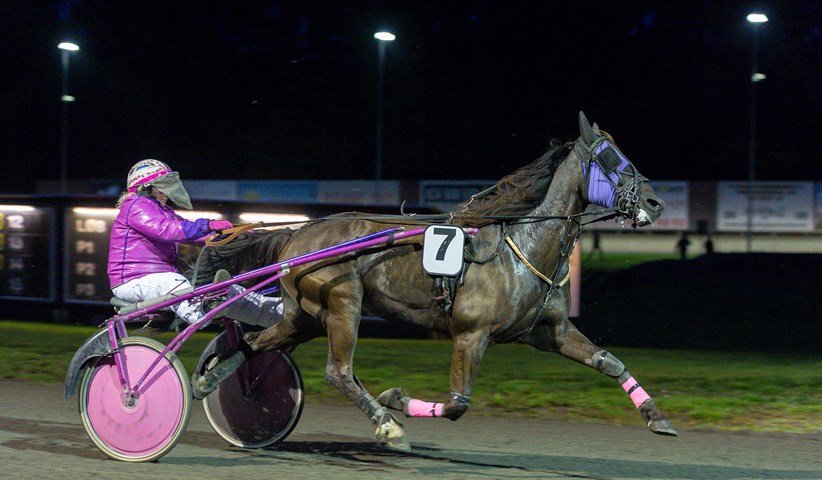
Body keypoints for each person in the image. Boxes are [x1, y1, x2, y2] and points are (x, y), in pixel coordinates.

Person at [108, 159, 283, 327]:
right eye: (164, 186)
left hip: (157, 281)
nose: (168, 192)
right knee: (173, 282)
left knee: (224, 288)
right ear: (146, 188)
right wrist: (207, 225)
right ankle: (201, 315)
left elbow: (191, 234)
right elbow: (168, 230)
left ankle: (274, 312)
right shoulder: (135, 205)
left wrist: (228, 235)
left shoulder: (163, 211)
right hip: (131, 281)